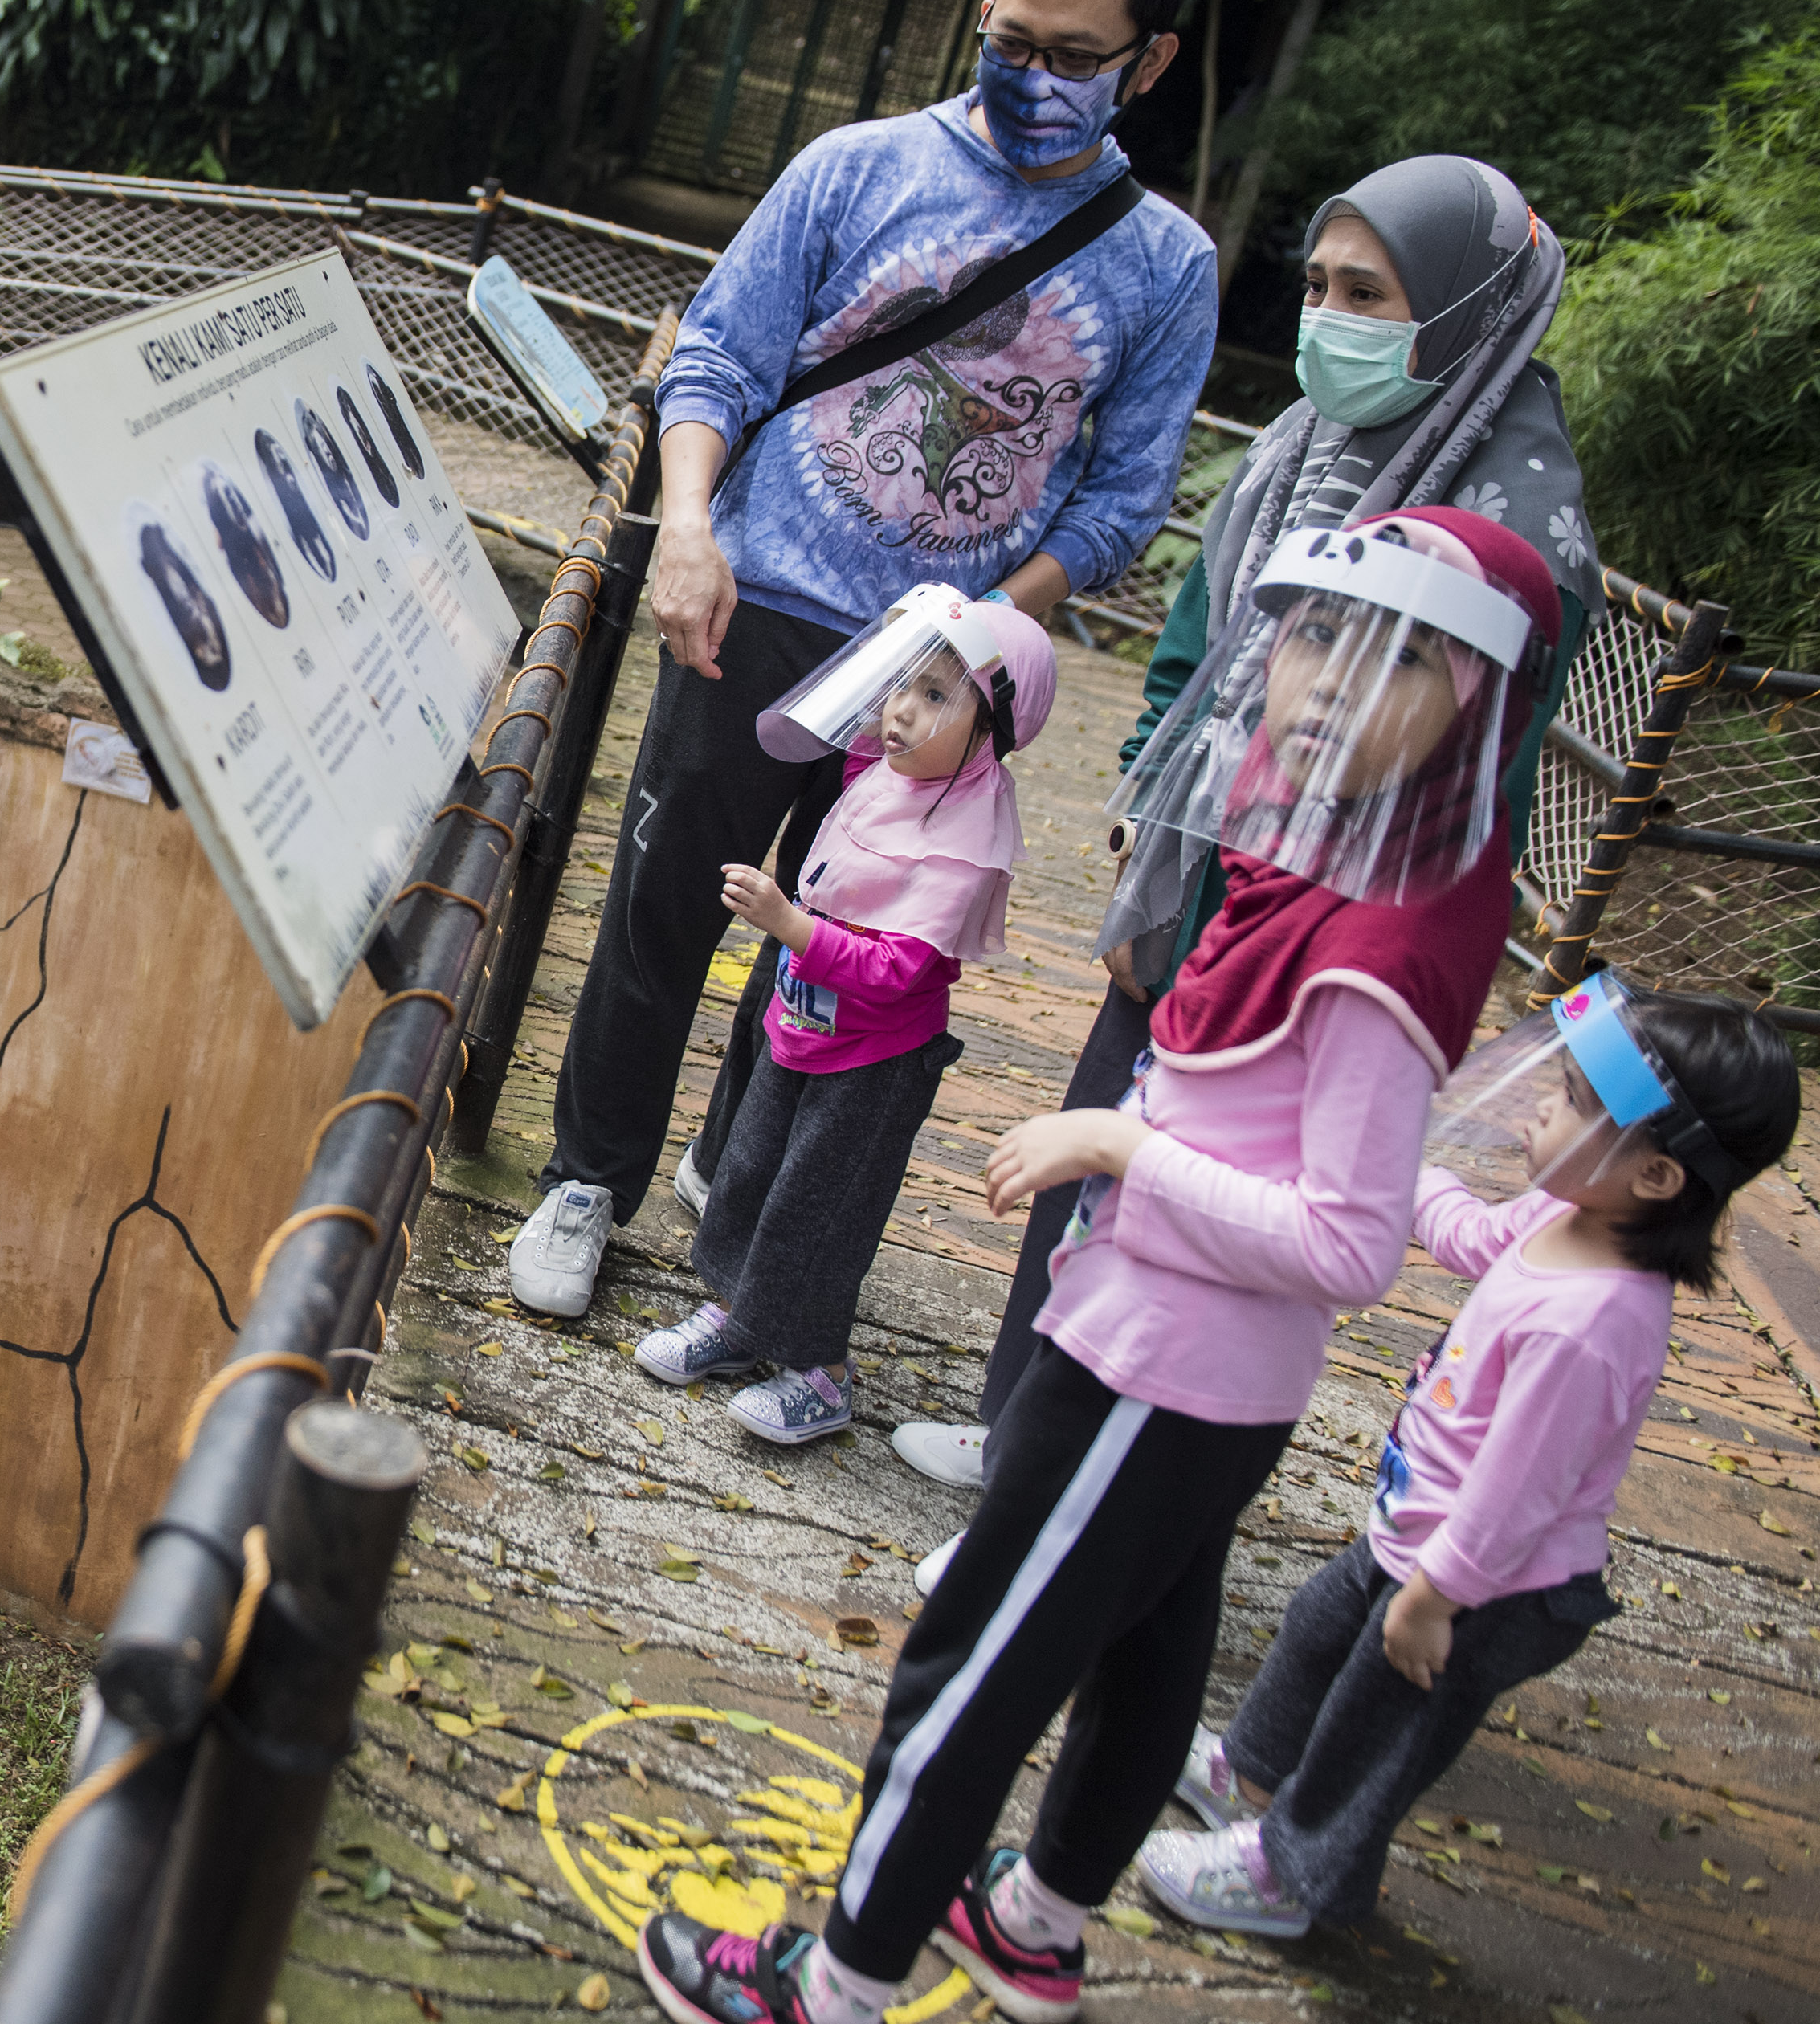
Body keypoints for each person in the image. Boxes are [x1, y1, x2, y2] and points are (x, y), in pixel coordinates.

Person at [633, 506, 1562, 2024]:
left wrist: (1116, 1150)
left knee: (968, 1669)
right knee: (1148, 1651)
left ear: (1474, 698)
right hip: (1181, 1360)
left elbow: (1348, 1237)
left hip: (1157, 1369)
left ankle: (840, 1982)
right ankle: (1038, 1923)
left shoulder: (1386, 945)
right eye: (1314, 632)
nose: (1323, 675)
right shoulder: (1346, 876)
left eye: (1392, 651)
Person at [503, 0, 1217, 1318]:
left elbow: (1125, 500)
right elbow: (717, 356)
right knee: (661, 904)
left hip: (937, 682)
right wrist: (693, 528)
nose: (1029, 70)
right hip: (753, 602)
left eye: (1072, 52)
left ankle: (734, 1167)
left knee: (846, 952)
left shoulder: (1166, 264)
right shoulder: (857, 167)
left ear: (1149, 64)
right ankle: (590, 1174)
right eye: (1009, 35)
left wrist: (969, 635)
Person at [894, 153, 1598, 1509]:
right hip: (1208, 860)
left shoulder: (1515, 521)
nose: (1326, 318)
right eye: (1319, 284)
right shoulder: (1301, 446)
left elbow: (1475, 775)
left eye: (1369, 293)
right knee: (1102, 1140)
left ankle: (1102, 1475)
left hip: (1337, 917)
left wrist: (1342, 923)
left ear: (1463, 308)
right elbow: (1201, 642)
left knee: (1211, 1185)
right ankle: (1024, 1435)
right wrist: (1161, 829)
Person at [1139, 980, 1798, 1937]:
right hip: (1427, 1536)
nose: (1539, 1104)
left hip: (1487, 1580)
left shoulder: (1595, 1322)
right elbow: (1473, 1236)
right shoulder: (1561, 1215)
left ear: (1656, 1175)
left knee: (1380, 1726)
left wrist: (1434, 1596)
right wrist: (1402, 1165)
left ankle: (1297, 1873)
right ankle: (1246, 1767)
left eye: (1571, 1099)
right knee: (1321, 1625)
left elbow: (1519, 1493)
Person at [633, 590, 1059, 1443]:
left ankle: (820, 1371)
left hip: (872, 1058)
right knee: (750, 1166)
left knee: (818, 1207)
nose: (900, 709)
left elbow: (903, 968)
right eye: (901, 682)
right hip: (804, 1020)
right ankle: (737, 1316)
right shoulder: (887, 770)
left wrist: (792, 924)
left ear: (995, 726)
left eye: (937, 695)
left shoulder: (963, 832)